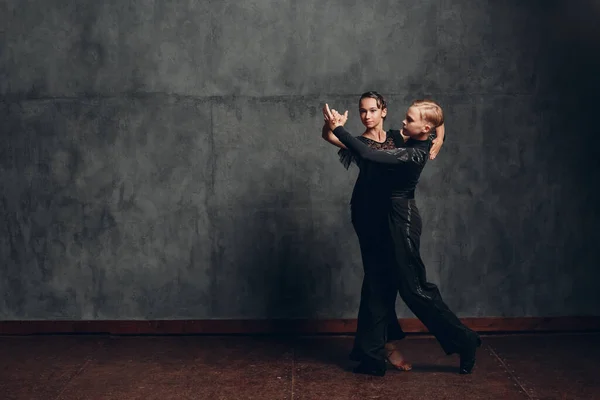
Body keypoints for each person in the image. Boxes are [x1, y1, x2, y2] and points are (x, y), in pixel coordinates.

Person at [322, 100, 481, 376]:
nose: (403, 123)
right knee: (377, 281)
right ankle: (371, 356)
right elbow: (438, 121)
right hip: (380, 218)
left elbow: (370, 155)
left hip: (401, 221)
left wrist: (340, 128)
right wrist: (440, 138)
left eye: (409, 119)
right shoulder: (417, 136)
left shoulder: (413, 154)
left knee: (414, 289)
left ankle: (465, 341)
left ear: (424, 127)